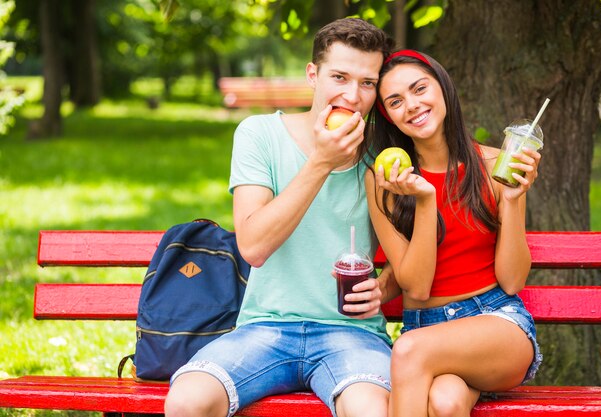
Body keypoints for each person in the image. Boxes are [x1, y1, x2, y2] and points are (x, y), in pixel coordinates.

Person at [164, 18, 397, 417]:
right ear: (313, 74)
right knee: (186, 402)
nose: (352, 95)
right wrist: (321, 162)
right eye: (339, 77)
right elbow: (253, 246)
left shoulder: (385, 155)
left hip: (353, 334)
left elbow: (413, 253)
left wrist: (385, 287)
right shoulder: (260, 134)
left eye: (367, 83)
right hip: (265, 329)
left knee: (371, 411)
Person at [359, 50, 543, 417]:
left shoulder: (496, 164)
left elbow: (512, 280)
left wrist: (511, 201)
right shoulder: (384, 180)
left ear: (442, 87)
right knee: (445, 403)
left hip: (496, 322)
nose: (411, 105)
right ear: (387, 116)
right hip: (427, 328)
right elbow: (417, 287)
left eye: (419, 88)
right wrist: (425, 202)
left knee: (409, 350)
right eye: (396, 101)